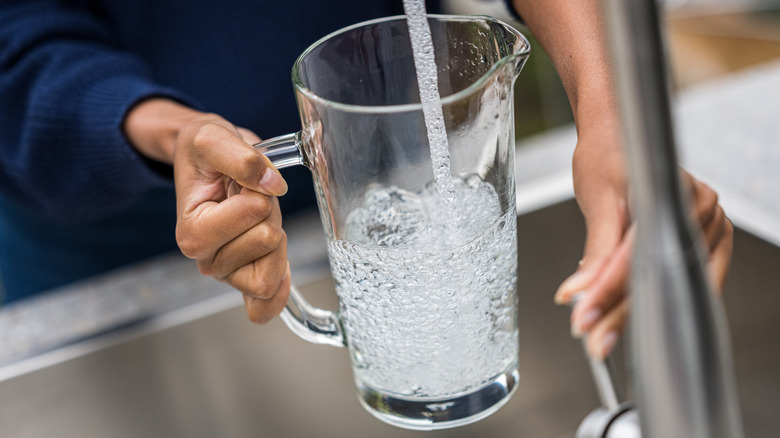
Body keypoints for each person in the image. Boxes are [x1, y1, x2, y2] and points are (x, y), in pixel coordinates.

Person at [0, 0, 732, 360]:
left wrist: (611, 113)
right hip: (103, 267)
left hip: (398, 179)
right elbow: (19, 41)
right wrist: (179, 137)